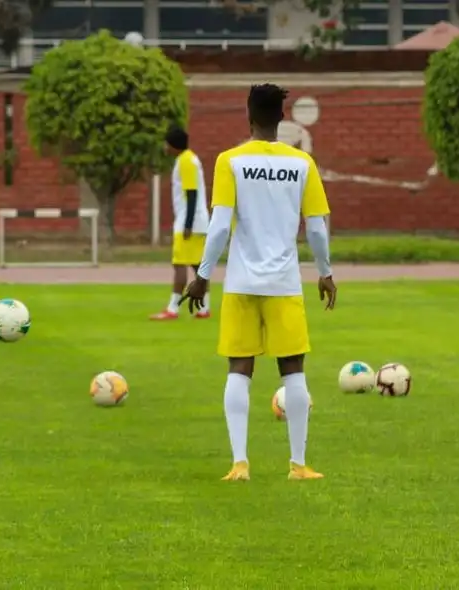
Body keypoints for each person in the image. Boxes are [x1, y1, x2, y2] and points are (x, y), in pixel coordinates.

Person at [181, 84, 337, 481]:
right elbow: (316, 227)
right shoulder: (302, 163)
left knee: (239, 368)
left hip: (241, 282)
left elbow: (219, 226)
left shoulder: (230, 161)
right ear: (282, 117)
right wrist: (325, 271)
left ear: (248, 116)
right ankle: (298, 465)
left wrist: (202, 275)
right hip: (284, 283)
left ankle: (240, 464)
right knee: (293, 369)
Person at [150, 126, 211, 320]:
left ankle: (173, 308)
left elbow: (191, 193)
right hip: (198, 221)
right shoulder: (190, 159)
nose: (165, 147)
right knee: (197, 265)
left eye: (166, 143)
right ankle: (204, 308)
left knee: (179, 264)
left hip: (189, 221)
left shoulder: (186, 161)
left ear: (173, 145)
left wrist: (187, 224)